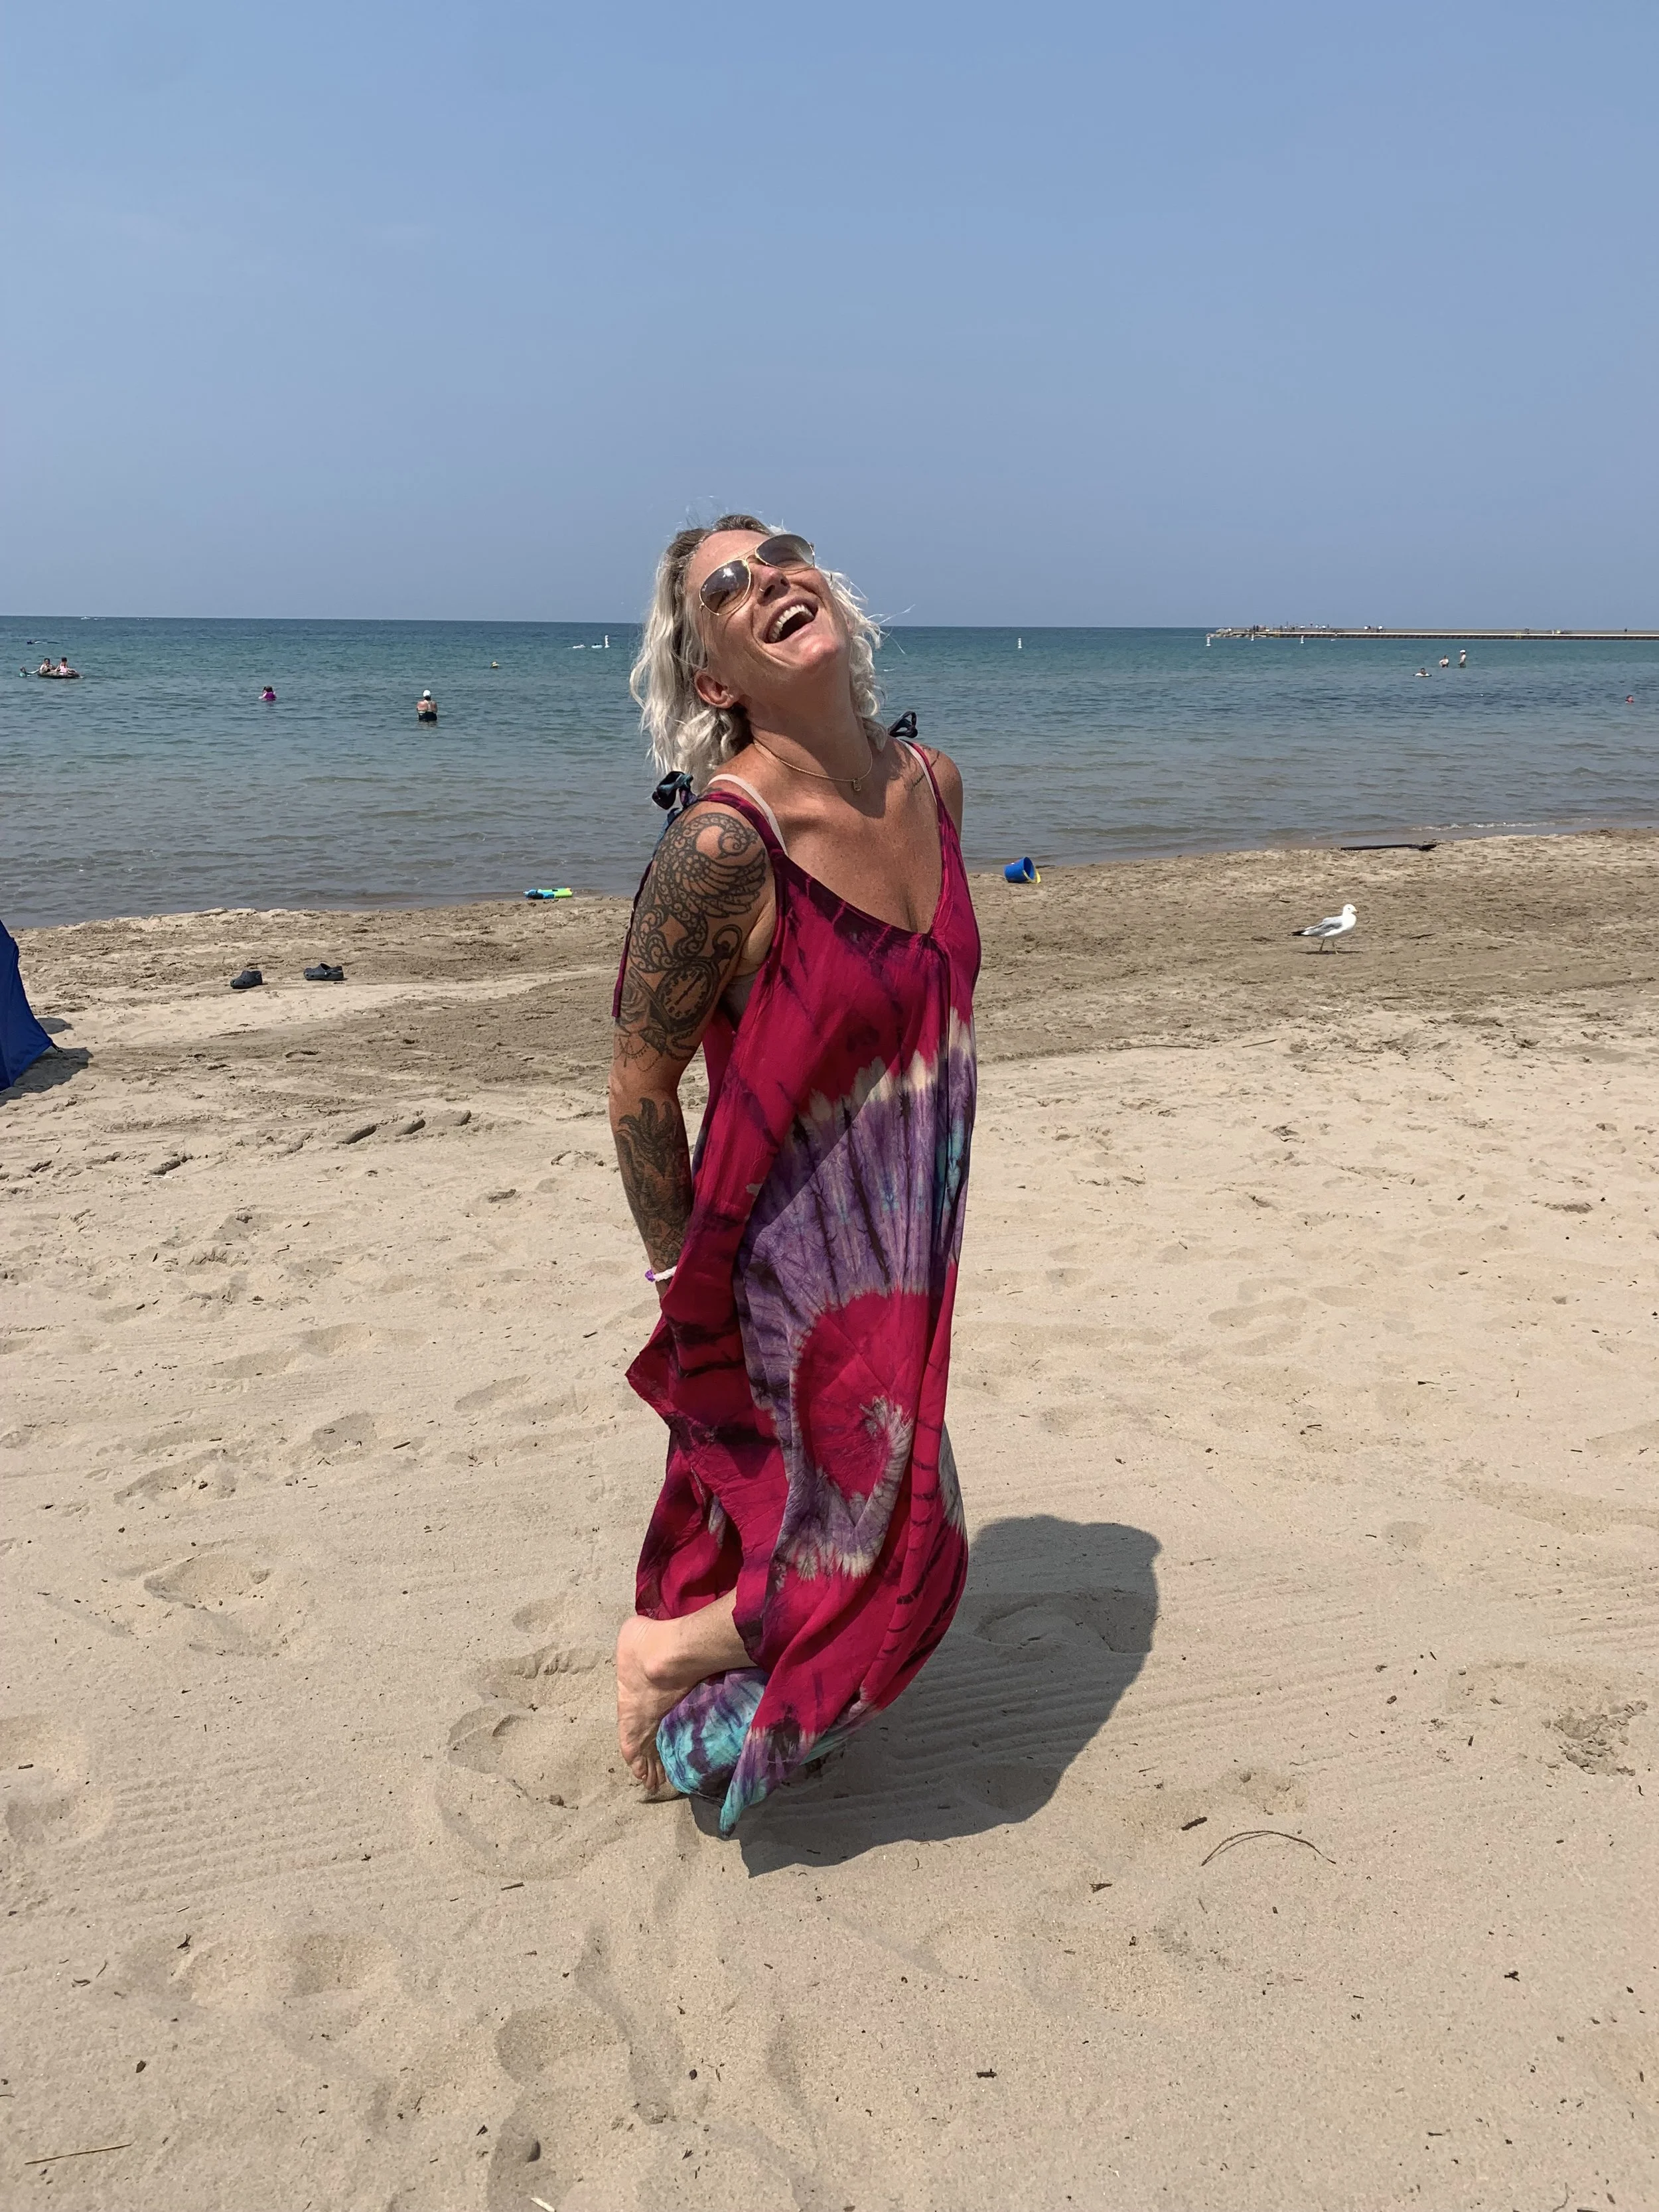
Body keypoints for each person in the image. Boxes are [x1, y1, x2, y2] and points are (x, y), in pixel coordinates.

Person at [607, 516, 979, 1832]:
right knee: (891, 1559)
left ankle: (716, 1691)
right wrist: (677, 1283)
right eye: (728, 582)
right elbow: (638, 1080)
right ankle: (663, 1657)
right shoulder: (723, 848)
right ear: (714, 679)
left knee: (883, 1545)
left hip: (907, 1250)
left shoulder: (931, 784)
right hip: (780, 1270)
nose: (769, 574)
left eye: (783, 552)